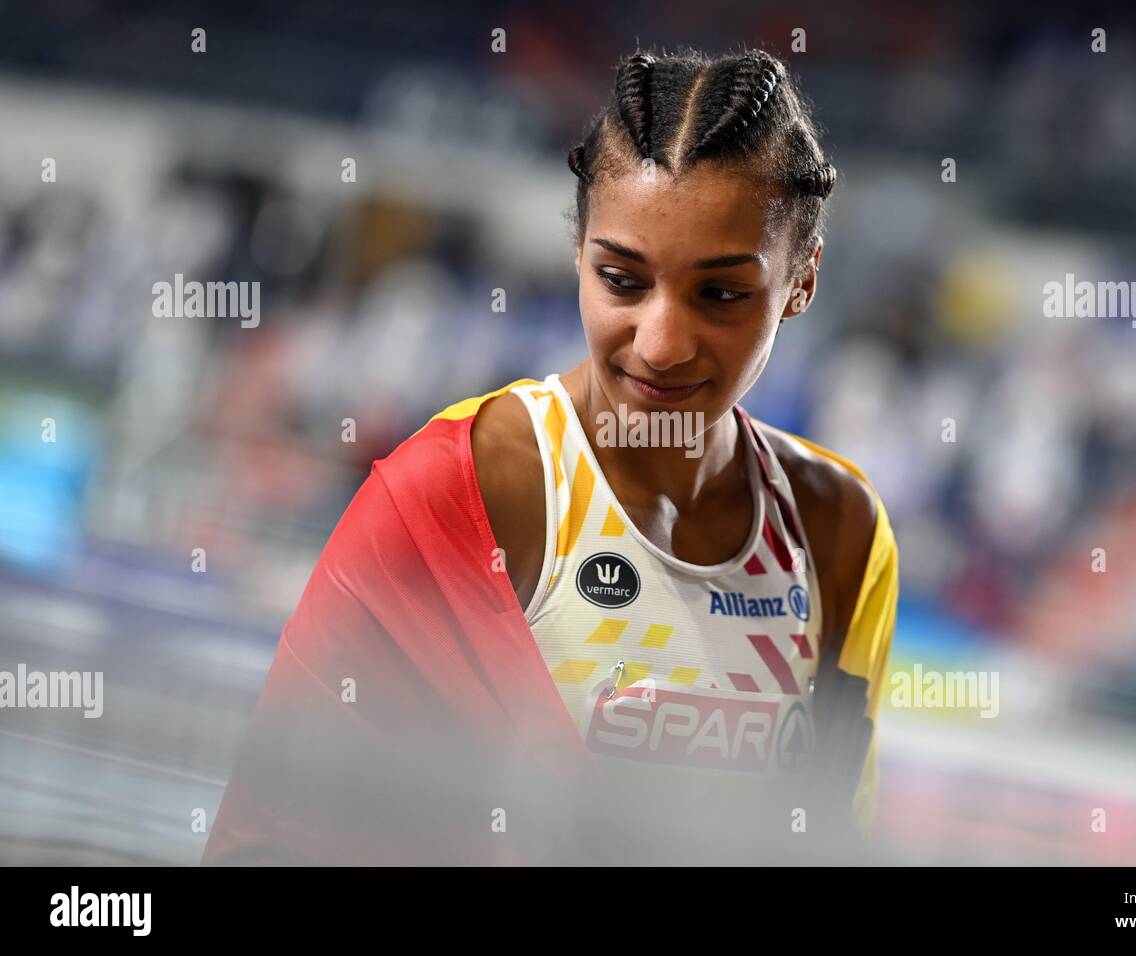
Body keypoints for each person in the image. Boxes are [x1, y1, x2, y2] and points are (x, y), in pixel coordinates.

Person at [202, 46, 898, 866]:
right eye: (622, 280)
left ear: (803, 280)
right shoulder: (459, 489)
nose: (662, 344)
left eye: (720, 293)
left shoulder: (837, 530)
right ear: (577, 254)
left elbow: (829, 841)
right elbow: (273, 840)